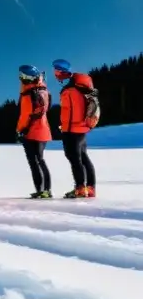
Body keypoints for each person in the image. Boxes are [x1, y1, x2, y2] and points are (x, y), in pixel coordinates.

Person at [53, 59, 97, 198]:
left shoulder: (70, 88)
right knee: (83, 157)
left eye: (56, 70)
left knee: (74, 158)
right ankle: (90, 188)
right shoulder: (79, 85)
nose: (55, 74)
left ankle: (79, 188)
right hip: (82, 128)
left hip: (72, 129)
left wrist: (65, 128)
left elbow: (70, 111)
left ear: (62, 71)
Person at [16, 65, 52, 198]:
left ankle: (42, 190)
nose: (21, 79)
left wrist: (20, 130)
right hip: (43, 130)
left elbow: (25, 115)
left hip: (31, 132)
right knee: (40, 160)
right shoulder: (43, 90)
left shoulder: (28, 94)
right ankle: (45, 189)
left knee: (34, 161)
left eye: (24, 76)